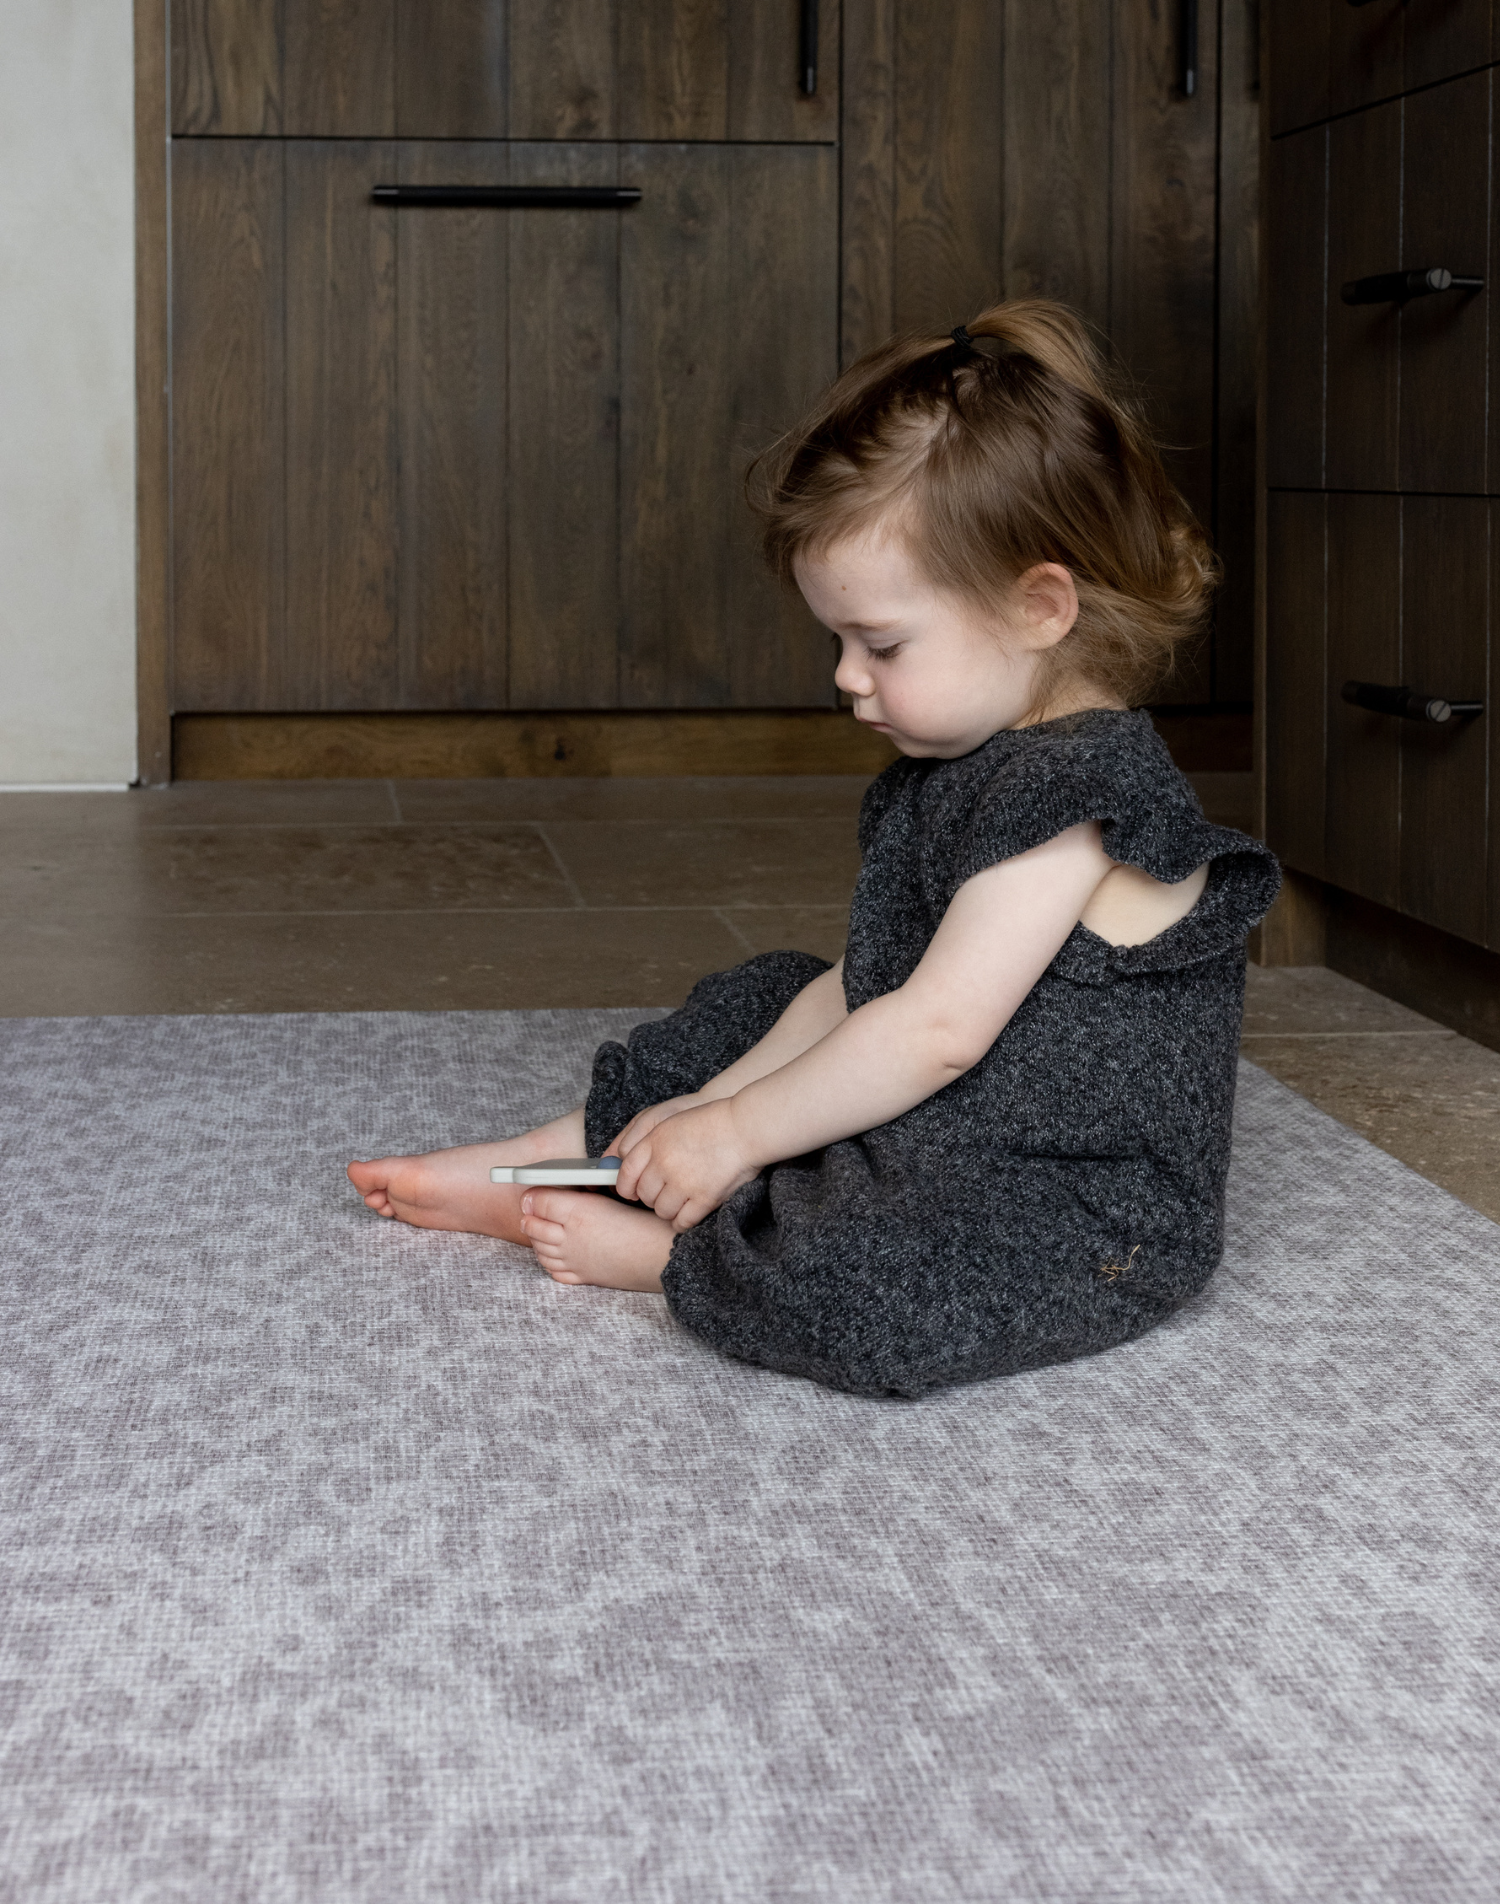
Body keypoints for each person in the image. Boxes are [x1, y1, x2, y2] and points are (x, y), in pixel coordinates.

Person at [348, 299, 1280, 1398]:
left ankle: (676, 1255)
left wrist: (743, 1127)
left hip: (1071, 1200)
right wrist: (709, 1109)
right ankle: (571, 1159)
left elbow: (934, 1031)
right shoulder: (962, 767)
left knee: (894, 1280)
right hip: (961, 1116)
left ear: (1040, 607)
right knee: (769, 999)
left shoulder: (1078, 792)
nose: (845, 674)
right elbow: (866, 987)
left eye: (881, 643)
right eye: (838, 639)